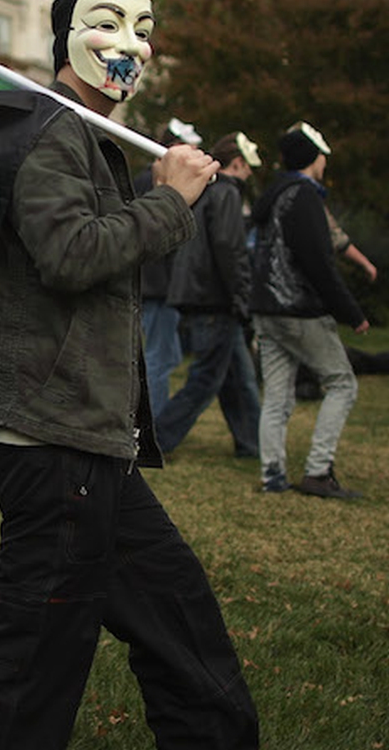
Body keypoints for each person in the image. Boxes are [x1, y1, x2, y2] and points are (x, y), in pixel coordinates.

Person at [0, 0, 306, 750]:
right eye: (106, 25)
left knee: (177, 614)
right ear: (65, 39)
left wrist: (160, 192)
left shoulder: (93, 138)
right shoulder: (47, 128)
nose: (128, 45)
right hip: (53, 447)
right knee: (35, 660)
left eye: (143, 31)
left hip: (95, 442)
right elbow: (68, 252)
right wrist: (170, 202)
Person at [248, 122, 370, 500]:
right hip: (299, 309)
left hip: (266, 307)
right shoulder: (305, 197)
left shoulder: (273, 196)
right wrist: (351, 311)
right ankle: (318, 471)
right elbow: (319, 262)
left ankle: (273, 475)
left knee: (277, 396)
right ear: (314, 158)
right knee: (342, 383)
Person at [156, 131, 263, 458]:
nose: (250, 173)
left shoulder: (208, 191)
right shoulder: (228, 194)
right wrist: (242, 297)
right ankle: (156, 440)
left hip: (203, 295)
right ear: (239, 162)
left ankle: (253, 444)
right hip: (215, 299)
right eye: (249, 166)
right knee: (204, 381)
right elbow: (230, 249)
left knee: (238, 379)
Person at [137, 118, 201, 418]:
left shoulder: (145, 180)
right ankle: (153, 427)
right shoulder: (152, 183)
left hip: (160, 285)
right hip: (158, 285)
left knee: (167, 355)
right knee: (159, 358)